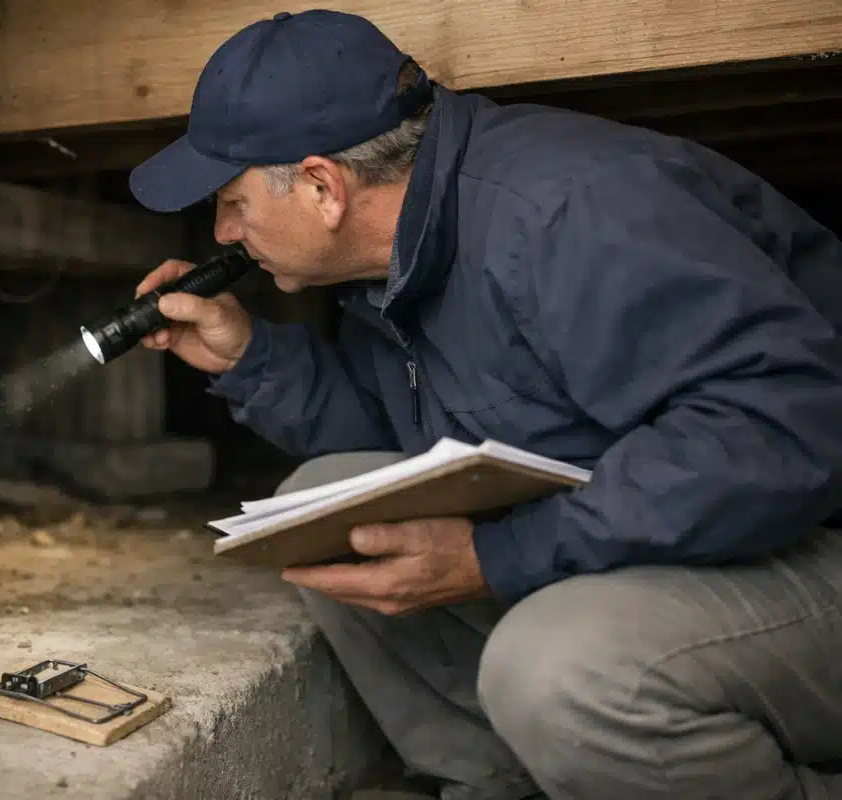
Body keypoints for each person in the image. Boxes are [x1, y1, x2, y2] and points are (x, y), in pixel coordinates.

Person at [129, 9, 842, 800]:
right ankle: (508, 782)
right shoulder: (408, 246)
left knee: (559, 670)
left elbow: (774, 432)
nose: (224, 232)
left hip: (809, 537)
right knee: (324, 506)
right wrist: (248, 357)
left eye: (232, 201)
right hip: (687, 534)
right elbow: (400, 428)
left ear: (324, 187)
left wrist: (500, 557)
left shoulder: (567, 212)